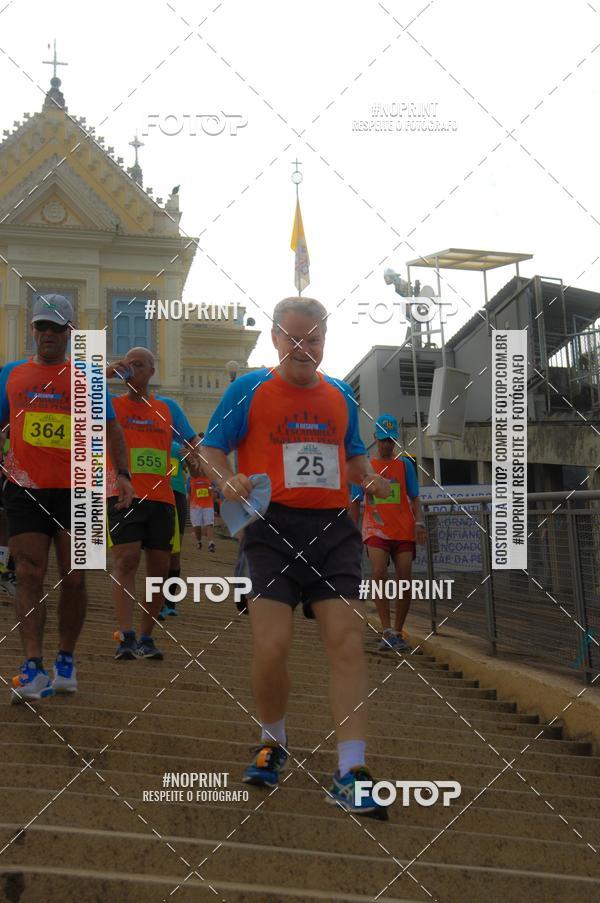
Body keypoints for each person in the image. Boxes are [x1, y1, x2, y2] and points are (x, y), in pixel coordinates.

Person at [201, 296, 392, 819]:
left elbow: (351, 451)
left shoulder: (340, 394)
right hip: (271, 530)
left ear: (325, 342)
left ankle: (351, 768)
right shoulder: (249, 389)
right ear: (275, 339)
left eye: (314, 339)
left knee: (347, 642)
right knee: (273, 645)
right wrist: (228, 479)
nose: (304, 347)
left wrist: (365, 476)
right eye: (293, 337)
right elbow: (210, 449)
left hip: (333, 530)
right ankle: (273, 739)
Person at [0, 293, 134, 703]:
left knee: (74, 578)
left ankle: (65, 659)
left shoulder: (89, 378)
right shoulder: (10, 373)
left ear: (70, 333)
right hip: (25, 486)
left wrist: (124, 475)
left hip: (82, 489)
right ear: (32, 328)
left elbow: (111, 429)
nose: (48, 335)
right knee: (27, 572)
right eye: (42, 326)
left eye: (57, 328)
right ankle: (32, 666)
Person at [106, 347, 200, 661]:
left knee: (159, 570)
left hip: (162, 500)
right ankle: (126, 634)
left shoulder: (168, 407)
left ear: (151, 371)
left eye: (139, 365)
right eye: (128, 364)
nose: (132, 370)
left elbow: (192, 442)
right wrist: (107, 372)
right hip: (124, 496)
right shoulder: (112, 404)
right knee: (127, 560)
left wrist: (200, 461)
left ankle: (146, 637)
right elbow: (79, 393)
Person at [362, 414, 426, 652]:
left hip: (402, 529)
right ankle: (386, 629)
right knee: (379, 573)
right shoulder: (366, 466)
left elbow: (415, 497)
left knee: (405, 579)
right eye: (383, 440)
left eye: (390, 440)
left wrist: (419, 524)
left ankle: (398, 631)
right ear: (375, 439)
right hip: (375, 528)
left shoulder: (404, 465)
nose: (387, 444)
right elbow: (355, 500)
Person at [158, 440, 189, 620]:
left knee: (175, 555)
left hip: (178, 496)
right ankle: (158, 602)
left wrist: (192, 458)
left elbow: (195, 472)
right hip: (158, 495)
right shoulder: (150, 440)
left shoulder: (178, 447)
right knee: (159, 554)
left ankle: (170, 602)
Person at [188, 467, 215, 552]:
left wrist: (212, 492)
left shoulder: (209, 478)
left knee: (209, 524)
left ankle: (211, 543)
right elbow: (189, 492)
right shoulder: (191, 478)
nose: (201, 470)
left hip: (208, 505)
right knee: (197, 526)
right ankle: (199, 541)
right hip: (195, 506)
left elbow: (212, 491)